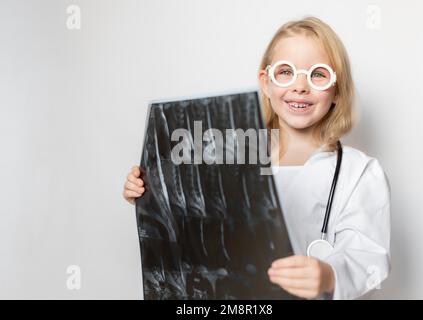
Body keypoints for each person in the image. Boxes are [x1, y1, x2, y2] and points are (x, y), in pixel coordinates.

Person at [123, 16, 391, 300]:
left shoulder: (358, 171)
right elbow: (194, 225)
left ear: (337, 90)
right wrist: (149, 194)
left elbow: (367, 257)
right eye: (285, 72)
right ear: (265, 82)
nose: (300, 85)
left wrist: (329, 274)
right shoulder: (229, 156)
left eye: (318, 74)